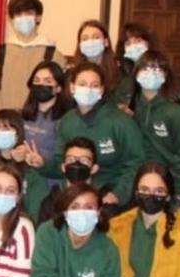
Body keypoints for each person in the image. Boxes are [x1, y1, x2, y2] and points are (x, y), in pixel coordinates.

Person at [41, 61, 144, 208]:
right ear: (72, 87)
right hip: (74, 190)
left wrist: (119, 194)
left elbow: (136, 163)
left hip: (110, 193)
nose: (88, 90)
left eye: (94, 86)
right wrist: (42, 164)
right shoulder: (67, 120)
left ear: (101, 90)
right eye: (82, 84)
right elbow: (60, 162)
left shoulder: (121, 123)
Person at [130, 50, 180, 214]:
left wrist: (174, 190)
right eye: (145, 68)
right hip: (147, 181)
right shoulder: (134, 108)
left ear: (166, 74)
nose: (150, 73)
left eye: (157, 69)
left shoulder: (179, 113)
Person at [0, 0, 57, 122]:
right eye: (18, 14)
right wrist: (4, 124)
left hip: (39, 126)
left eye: (28, 13)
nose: (23, 18)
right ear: (11, 19)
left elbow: (56, 97)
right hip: (5, 126)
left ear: (38, 17)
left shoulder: (54, 55)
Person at [37, 138, 101, 225]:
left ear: (94, 168)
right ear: (63, 167)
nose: (77, 164)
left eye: (84, 160)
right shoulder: (49, 204)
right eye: (71, 160)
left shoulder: (104, 203)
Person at [22, 60, 71, 168]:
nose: (41, 85)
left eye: (48, 81)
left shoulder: (66, 119)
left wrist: (42, 162)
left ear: (58, 88)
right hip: (25, 175)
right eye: (37, 80)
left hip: (50, 179)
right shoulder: (24, 114)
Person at [113, 22, 160, 107]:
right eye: (128, 43)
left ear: (149, 43)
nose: (134, 46)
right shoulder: (121, 74)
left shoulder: (159, 71)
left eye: (138, 41)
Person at [71, 20, 117, 94]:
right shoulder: (72, 73)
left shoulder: (119, 73)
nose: (90, 42)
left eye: (96, 37)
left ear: (106, 42)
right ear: (80, 44)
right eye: (85, 39)